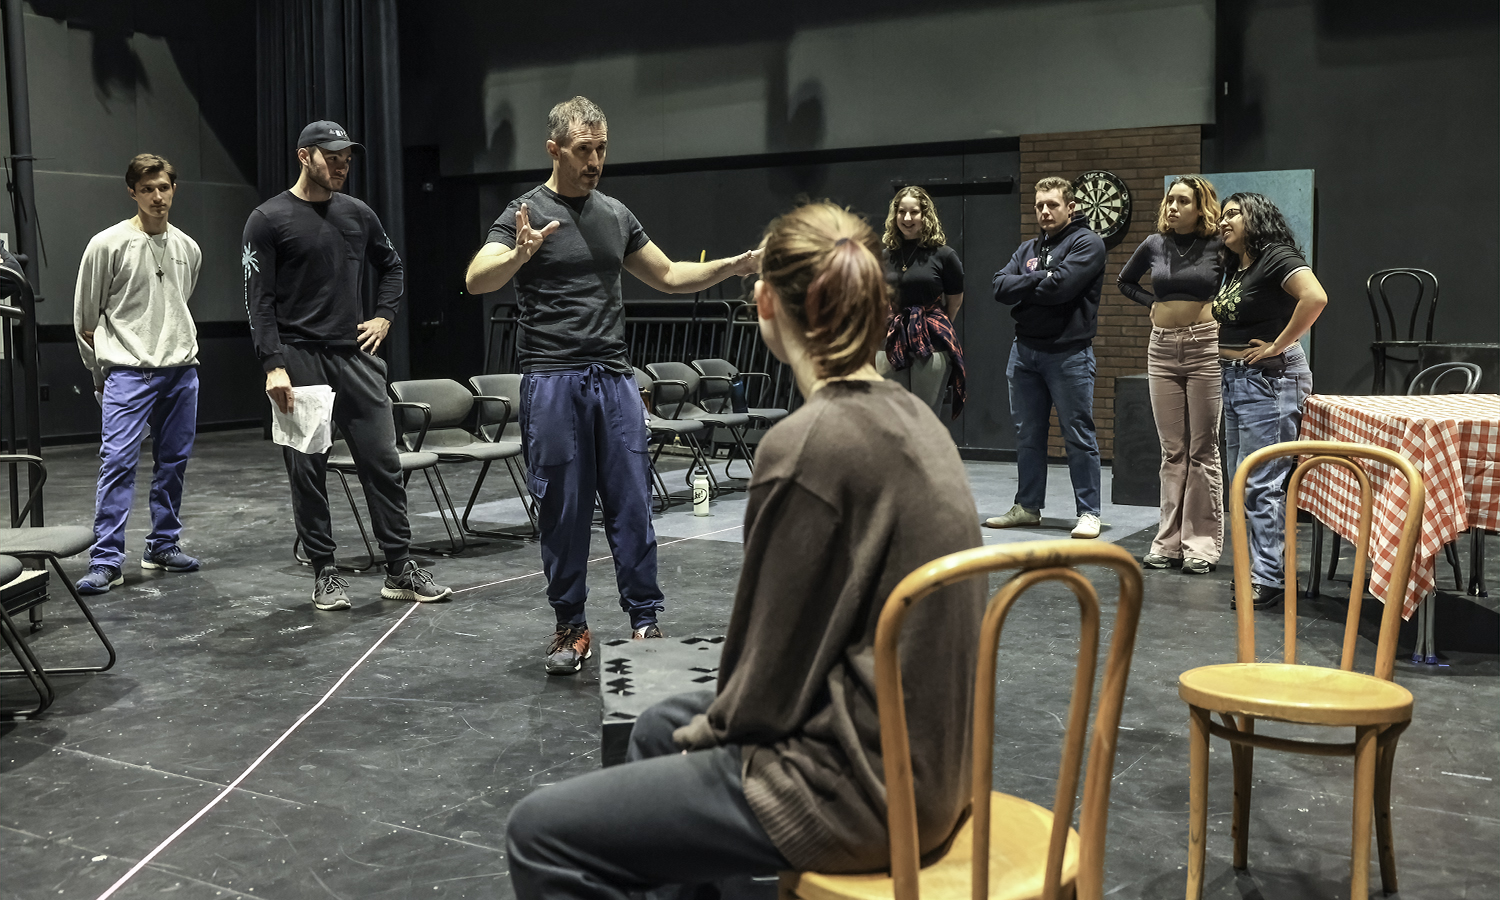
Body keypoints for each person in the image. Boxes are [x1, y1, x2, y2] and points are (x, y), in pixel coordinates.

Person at [504, 201, 983, 900]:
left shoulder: (805, 444)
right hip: (937, 764)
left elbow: (762, 691)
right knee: (659, 725)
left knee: (539, 831)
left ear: (763, 303)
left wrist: (714, 730)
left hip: (855, 791)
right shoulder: (915, 416)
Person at [464, 96, 759, 674]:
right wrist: (519, 255)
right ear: (554, 150)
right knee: (563, 510)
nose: (595, 160)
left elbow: (670, 274)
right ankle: (570, 626)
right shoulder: (524, 211)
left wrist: (733, 264)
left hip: (615, 380)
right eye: (584, 150)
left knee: (632, 504)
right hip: (551, 379)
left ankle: (645, 620)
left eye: (602, 148)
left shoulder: (615, 214)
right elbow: (476, 279)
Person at [243, 120, 450, 610]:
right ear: (304, 156)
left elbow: (393, 266)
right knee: (308, 470)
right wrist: (274, 364)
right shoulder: (268, 218)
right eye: (331, 156)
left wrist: (382, 316)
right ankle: (325, 572)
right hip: (299, 357)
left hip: (354, 358)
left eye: (347, 157)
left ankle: (399, 568)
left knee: (383, 462)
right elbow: (258, 299)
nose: (341, 164)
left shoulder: (358, 214)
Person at [72, 153, 203, 595]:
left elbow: (179, 302)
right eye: (147, 189)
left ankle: (162, 544)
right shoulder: (107, 244)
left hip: (181, 371)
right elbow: (86, 320)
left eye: (163, 187)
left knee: (174, 463)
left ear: (173, 189)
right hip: (128, 373)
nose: (157, 196)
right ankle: (107, 560)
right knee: (117, 464)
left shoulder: (188, 248)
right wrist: (100, 375)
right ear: (132, 192)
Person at [1212, 192, 1326, 609]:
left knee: (1263, 483)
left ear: (1255, 217)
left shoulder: (1274, 256)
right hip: (1237, 378)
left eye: (1233, 214)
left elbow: (1315, 297)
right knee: (1241, 481)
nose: (1223, 222)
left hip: (1270, 379)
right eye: (1221, 216)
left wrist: (1279, 344)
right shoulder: (1235, 267)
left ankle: (1269, 579)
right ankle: (1253, 569)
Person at [988, 176, 1107, 539]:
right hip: (1024, 354)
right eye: (1040, 205)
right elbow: (998, 286)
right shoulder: (1027, 248)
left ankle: (1089, 512)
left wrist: (1029, 284)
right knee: (1028, 434)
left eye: (1052, 204)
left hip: (1069, 354)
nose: (1044, 211)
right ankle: (1027, 506)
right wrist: (1041, 277)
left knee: (1078, 434)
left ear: (1071, 207)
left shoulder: (1087, 242)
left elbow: (1061, 288)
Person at [1117, 175, 1224, 574]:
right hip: (1161, 349)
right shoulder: (1153, 244)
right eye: (1170, 201)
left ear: (1200, 207)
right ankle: (1167, 542)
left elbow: (1238, 287)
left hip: (1204, 347)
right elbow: (1124, 281)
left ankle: (1201, 545)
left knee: (1202, 450)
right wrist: (1152, 304)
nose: (1173, 207)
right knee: (1172, 451)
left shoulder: (1217, 246)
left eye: (1182, 201)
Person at [876, 185, 966, 417]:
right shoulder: (884, 256)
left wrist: (932, 326)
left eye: (914, 212)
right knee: (893, 417)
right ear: (894, 215)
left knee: (924, 418)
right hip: (891, 341)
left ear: (926, 215)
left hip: (931, 345)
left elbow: (954, 300)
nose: (907, 218)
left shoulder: (944, 255)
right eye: (901, 212)